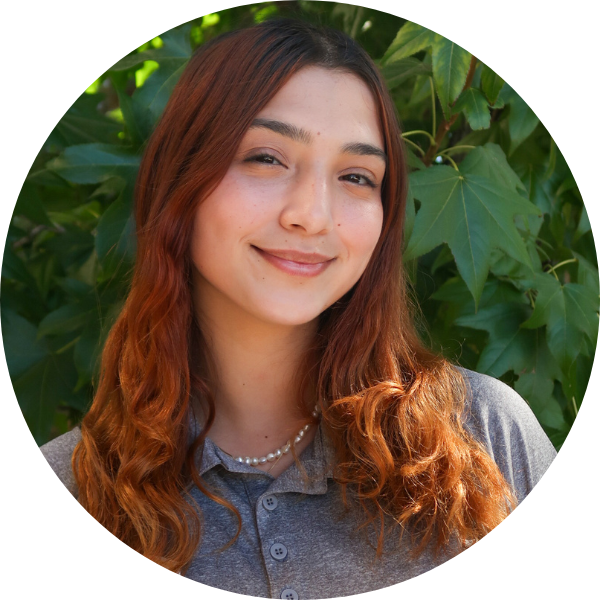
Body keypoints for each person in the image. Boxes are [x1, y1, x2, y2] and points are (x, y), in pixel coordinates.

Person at [40, 17, 556, 599]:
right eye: (266, 158)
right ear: (179, 179)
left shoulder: (484, 438)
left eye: (357, 176)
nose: (312, 214)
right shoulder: (65, 495)